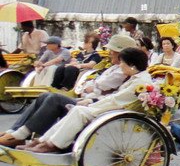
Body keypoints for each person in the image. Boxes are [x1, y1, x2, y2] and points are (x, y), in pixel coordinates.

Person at [0, 34, 137, 148]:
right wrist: (92, 85)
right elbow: (92, 83)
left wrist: (92, 86)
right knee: (44, 96)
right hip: (87, 97)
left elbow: (101, 84)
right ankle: (15, 131)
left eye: (112, 51)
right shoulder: (113, 67)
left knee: (54, 99)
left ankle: (21, 135)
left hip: (94, 104)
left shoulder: (122, 70)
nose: (109, 53)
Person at [20, 48, 152, 154]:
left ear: (132, 65)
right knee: (77, 109)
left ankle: (53, 144)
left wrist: (91, 103)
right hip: (112, 106)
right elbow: (115, 97)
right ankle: (44, 141)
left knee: (79, 111)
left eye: (123, 62)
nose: (121, 65)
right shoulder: (134, 78)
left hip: (117, 110)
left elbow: (115, 99)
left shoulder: (140, 81)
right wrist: (90, 100)